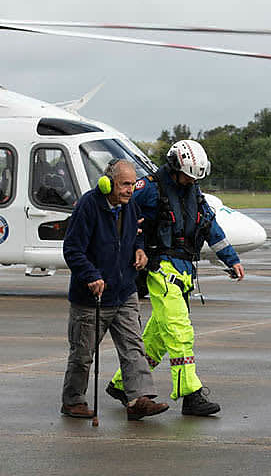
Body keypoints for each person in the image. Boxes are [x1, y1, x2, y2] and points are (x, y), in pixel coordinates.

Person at [106, 141, 245, 416]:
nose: (192, 180)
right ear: (174, 167)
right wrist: (134, 248)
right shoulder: (148, 189)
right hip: (160, 270)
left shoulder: (194, 192)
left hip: (184, 272)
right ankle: (190, 394)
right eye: (189, 175)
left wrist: (232, 259)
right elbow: (121, 214)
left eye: (196, 177)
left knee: (157, 339)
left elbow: (210, 226)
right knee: (181, 332)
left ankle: (122, 384)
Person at [61, 159, 169, 421]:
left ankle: (138, 400)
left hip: (124, 292)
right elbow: (72, 249)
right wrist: (91, 275)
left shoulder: (130, 206)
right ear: (108, 182)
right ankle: (73, 401)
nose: (130, 190)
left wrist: (140, 250)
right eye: (124, 184)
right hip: (92, 298)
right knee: (82, 355)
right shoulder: (89, 205)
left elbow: (136, 234)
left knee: (134, 348)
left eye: (132, 184)